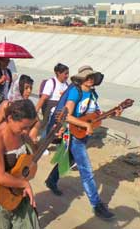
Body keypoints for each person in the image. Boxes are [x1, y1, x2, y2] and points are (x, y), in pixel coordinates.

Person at [44, 66, 123, 220]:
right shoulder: (75, 92)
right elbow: (66, 116)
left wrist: (114, 113)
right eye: (87, 77)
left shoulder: (93, 94)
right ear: (81, 78)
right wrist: (86, 125)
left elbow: (96, 115)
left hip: (82, 134)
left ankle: (51, 180)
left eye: (92, 77)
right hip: (73, 134)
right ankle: (97, 204)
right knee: (86, 171)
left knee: (68, 159)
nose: (90, 79)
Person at [0, 99, 40, 229]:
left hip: (18, 192)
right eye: (23, 127)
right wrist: (25, 184)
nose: (26, 131)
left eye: (29, 127)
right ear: (10, 118)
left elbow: (31, 159)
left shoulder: (23, 135)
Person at [35, 63, 69, 134]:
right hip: (51, 113)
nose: (67, 76)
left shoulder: (66, 85)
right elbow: (43, 98)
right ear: (58, 73)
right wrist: (35, 111)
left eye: (68, 73)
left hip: (61, 112)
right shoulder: (51, 83)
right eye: (65, 74)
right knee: (47, 130)